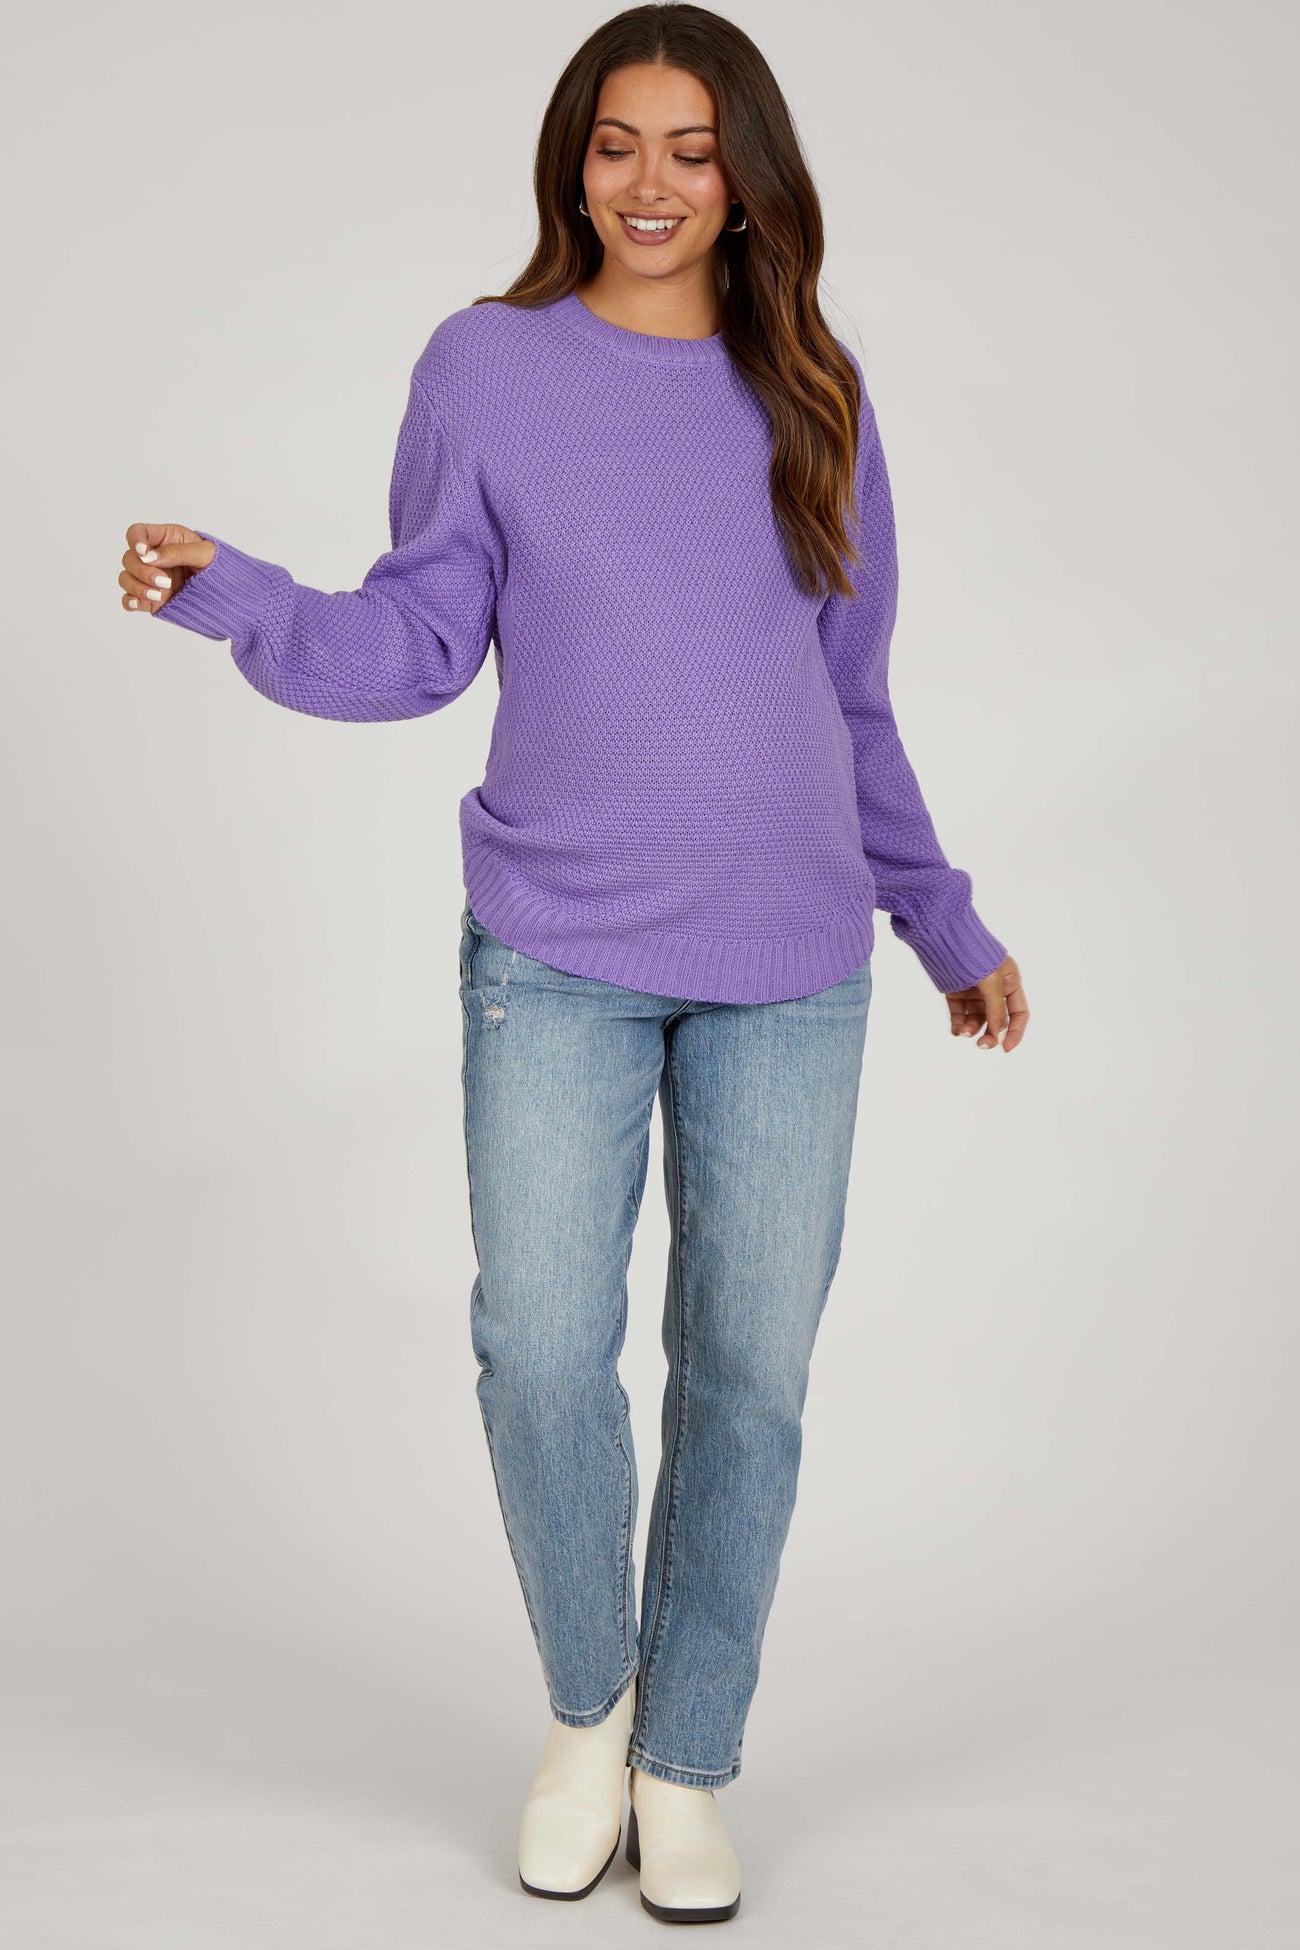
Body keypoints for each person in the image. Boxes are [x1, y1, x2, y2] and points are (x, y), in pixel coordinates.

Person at [120, 1, 1029, 1924]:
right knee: (540, 1349)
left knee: (747, 1375)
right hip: (555, 944)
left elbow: (853, 697)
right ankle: (585, 1713)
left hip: (792, 956)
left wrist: (940, 916)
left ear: (749, 178)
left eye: (693, 149)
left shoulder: (817, 390)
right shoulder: (489, 365)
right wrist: (236, 596)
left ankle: (687, 1759)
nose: (651, 183)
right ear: (573, 161)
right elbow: (419, 639)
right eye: (619, 144)